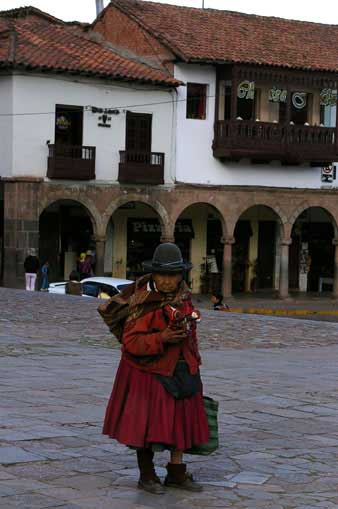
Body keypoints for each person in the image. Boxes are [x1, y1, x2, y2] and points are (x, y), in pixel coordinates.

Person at [99, 243, 209, 495]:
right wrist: (162, 337)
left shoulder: (183, 297)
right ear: (154, 275)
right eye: (163, 275)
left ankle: (176, 473)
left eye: (173, 275)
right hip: (147, 371)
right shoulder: (143, 301)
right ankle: (147, 475)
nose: (168, 281)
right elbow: (131, 341)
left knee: (180, 423)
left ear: (181, 275)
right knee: (146, 424)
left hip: (181, 369)